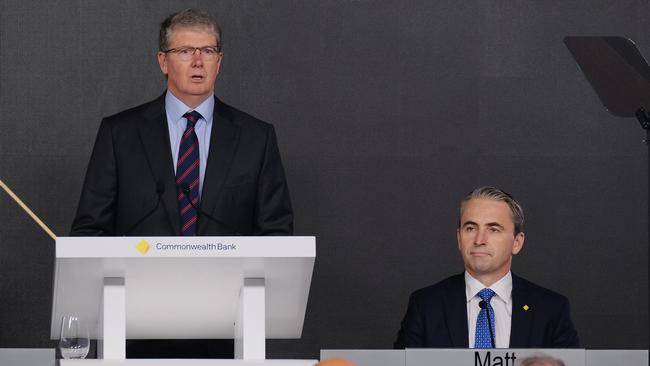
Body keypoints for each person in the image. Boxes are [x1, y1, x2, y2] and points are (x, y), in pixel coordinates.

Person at [70, 8, 292, 237]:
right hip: (144, 273)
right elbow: (90, 231)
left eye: (207, 51)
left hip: (223, 274)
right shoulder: (119, 134)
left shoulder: (256, 138)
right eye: (185, 51)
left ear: (218, 62)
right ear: (163, 61)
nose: (197, 62)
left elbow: (276, 234)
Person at [394, 186, 579, 349]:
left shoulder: (551, 309)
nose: (479, 240)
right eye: (471, 228)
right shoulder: (426, 305)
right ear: (459, 238)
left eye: (493, 229)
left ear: (517, 242)